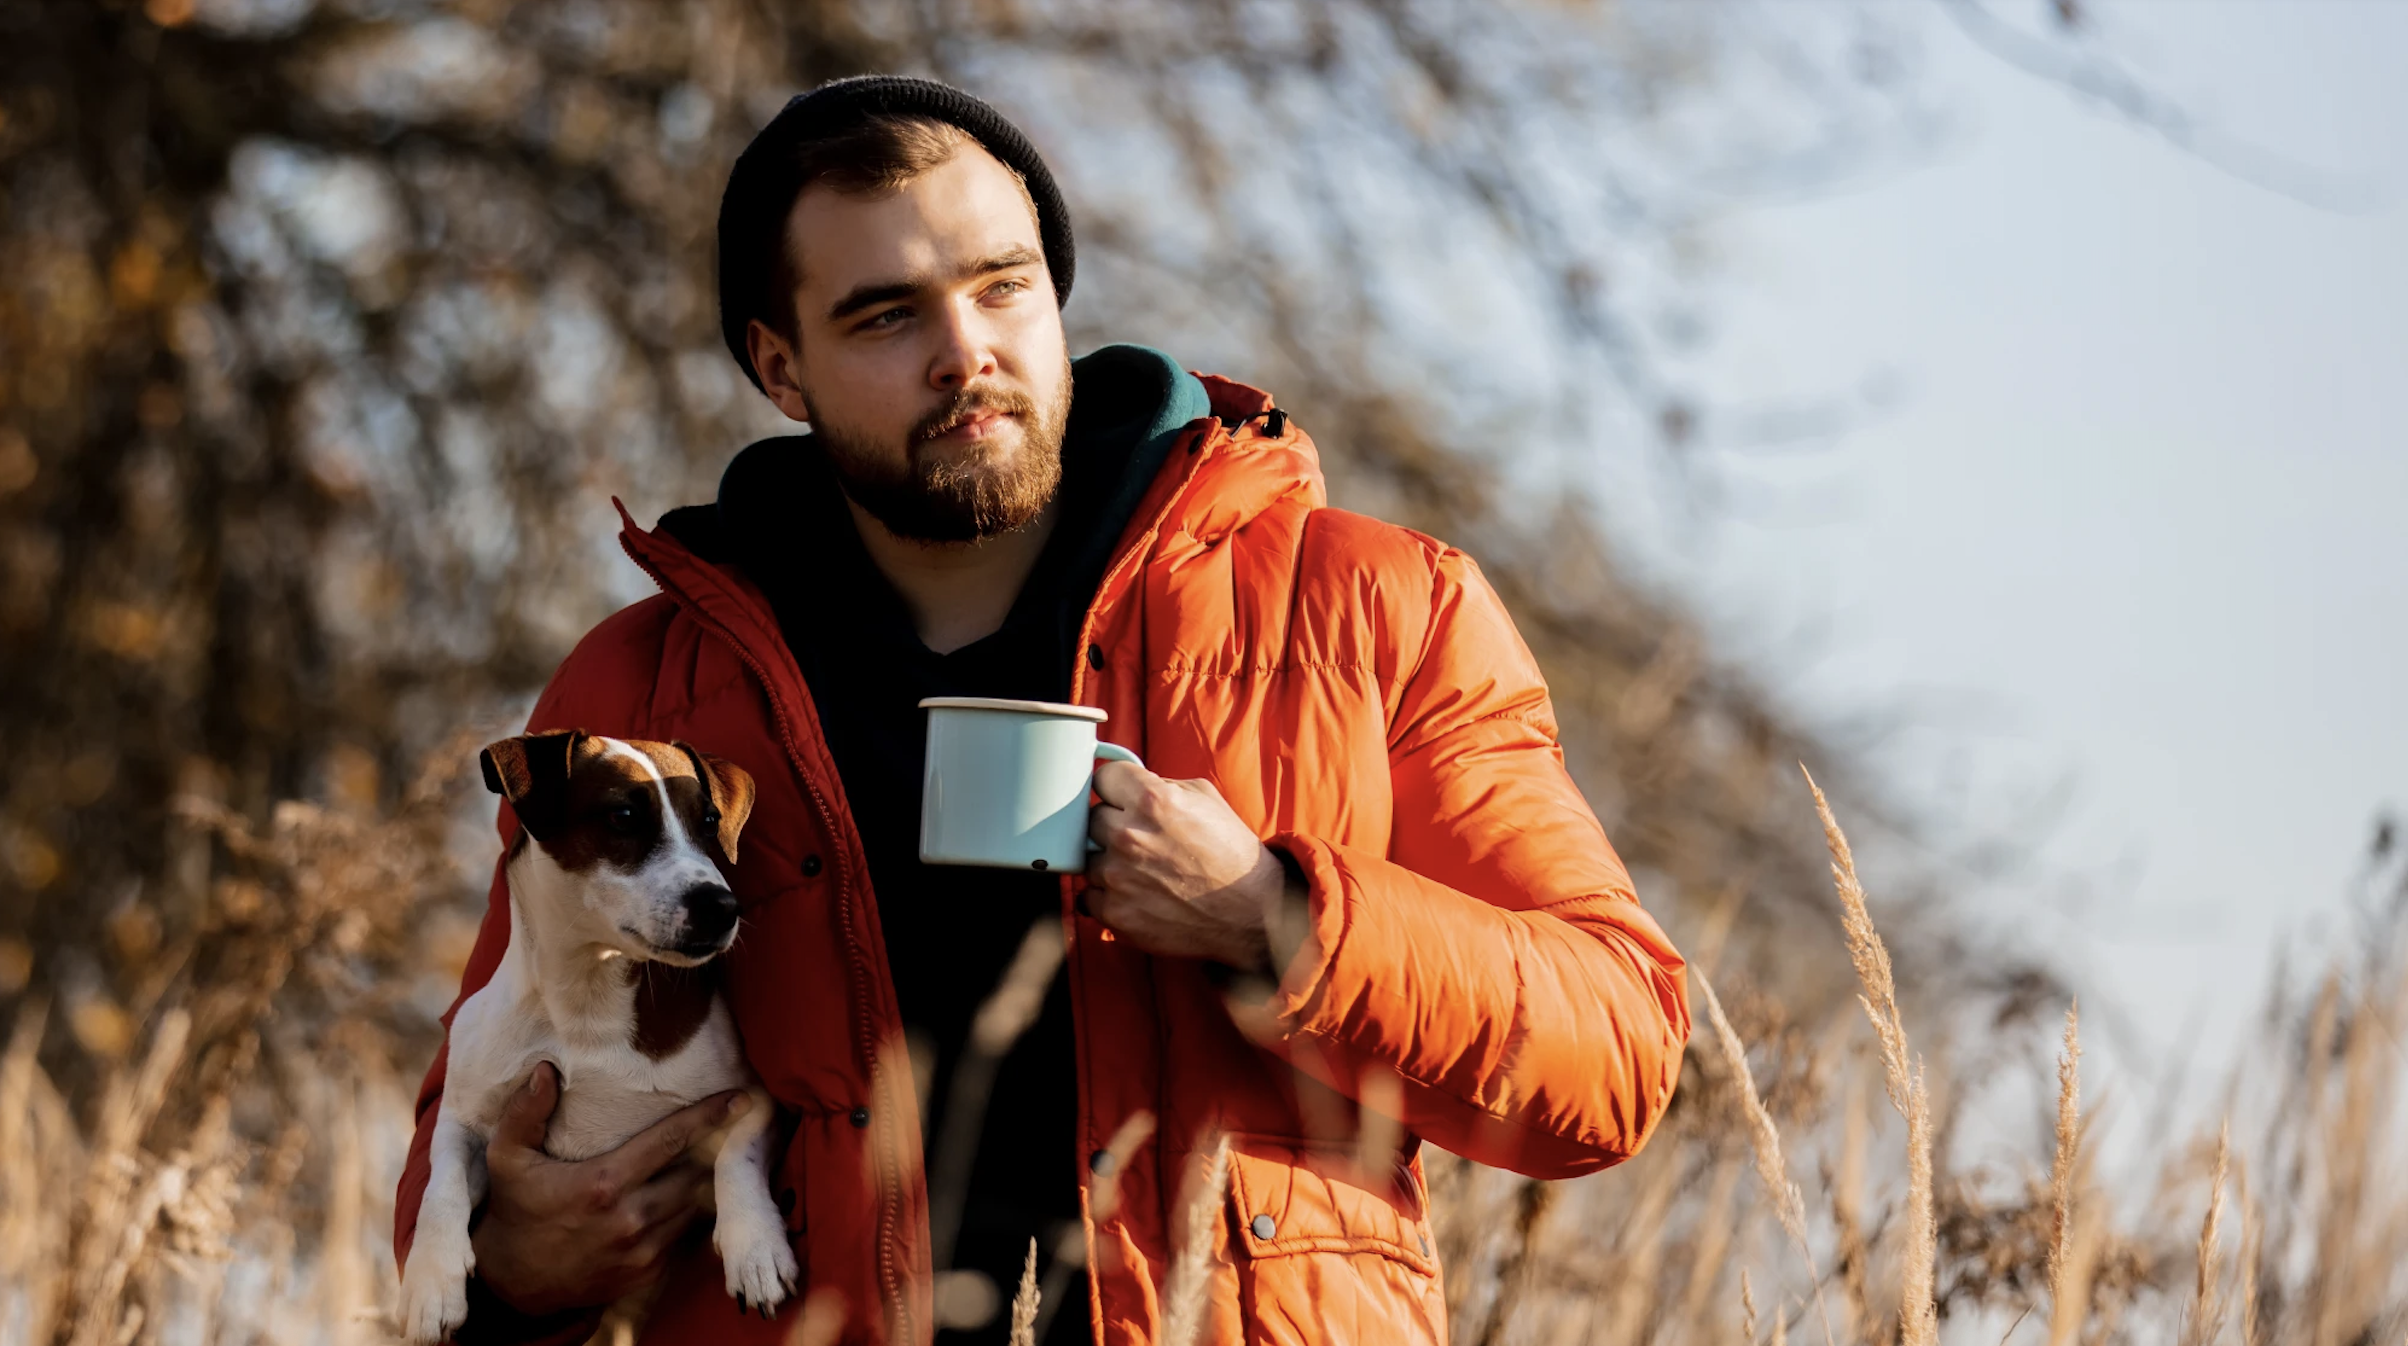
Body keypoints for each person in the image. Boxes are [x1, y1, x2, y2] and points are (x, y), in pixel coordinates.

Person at [393, 74, 1691, 1346]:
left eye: (1002, 286)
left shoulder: (1366, 605)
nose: (968, 353)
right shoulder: (644, 688)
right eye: (887, 316)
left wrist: (1272, 913)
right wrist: (513, 1266)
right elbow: (481, 1096)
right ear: (781, 368)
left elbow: (1615, 1057)